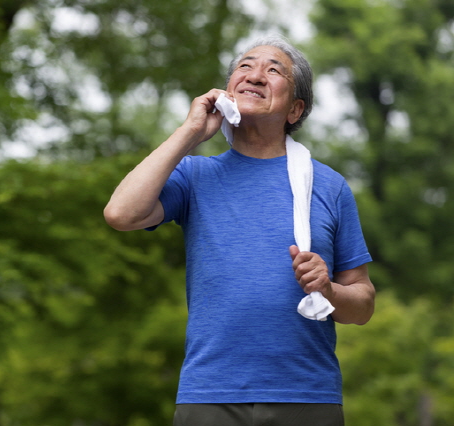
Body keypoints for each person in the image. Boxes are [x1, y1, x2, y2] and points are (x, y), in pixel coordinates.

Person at [103, 35, 375, 426]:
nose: (255, 75)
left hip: (306, 395)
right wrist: (191, 131)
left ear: (295, 109)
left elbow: (363, 305)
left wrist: (328, 290)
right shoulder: (195, 175)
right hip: (210, 394)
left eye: (274, 70)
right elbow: (121, 214)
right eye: (245, 66)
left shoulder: (329, 186)